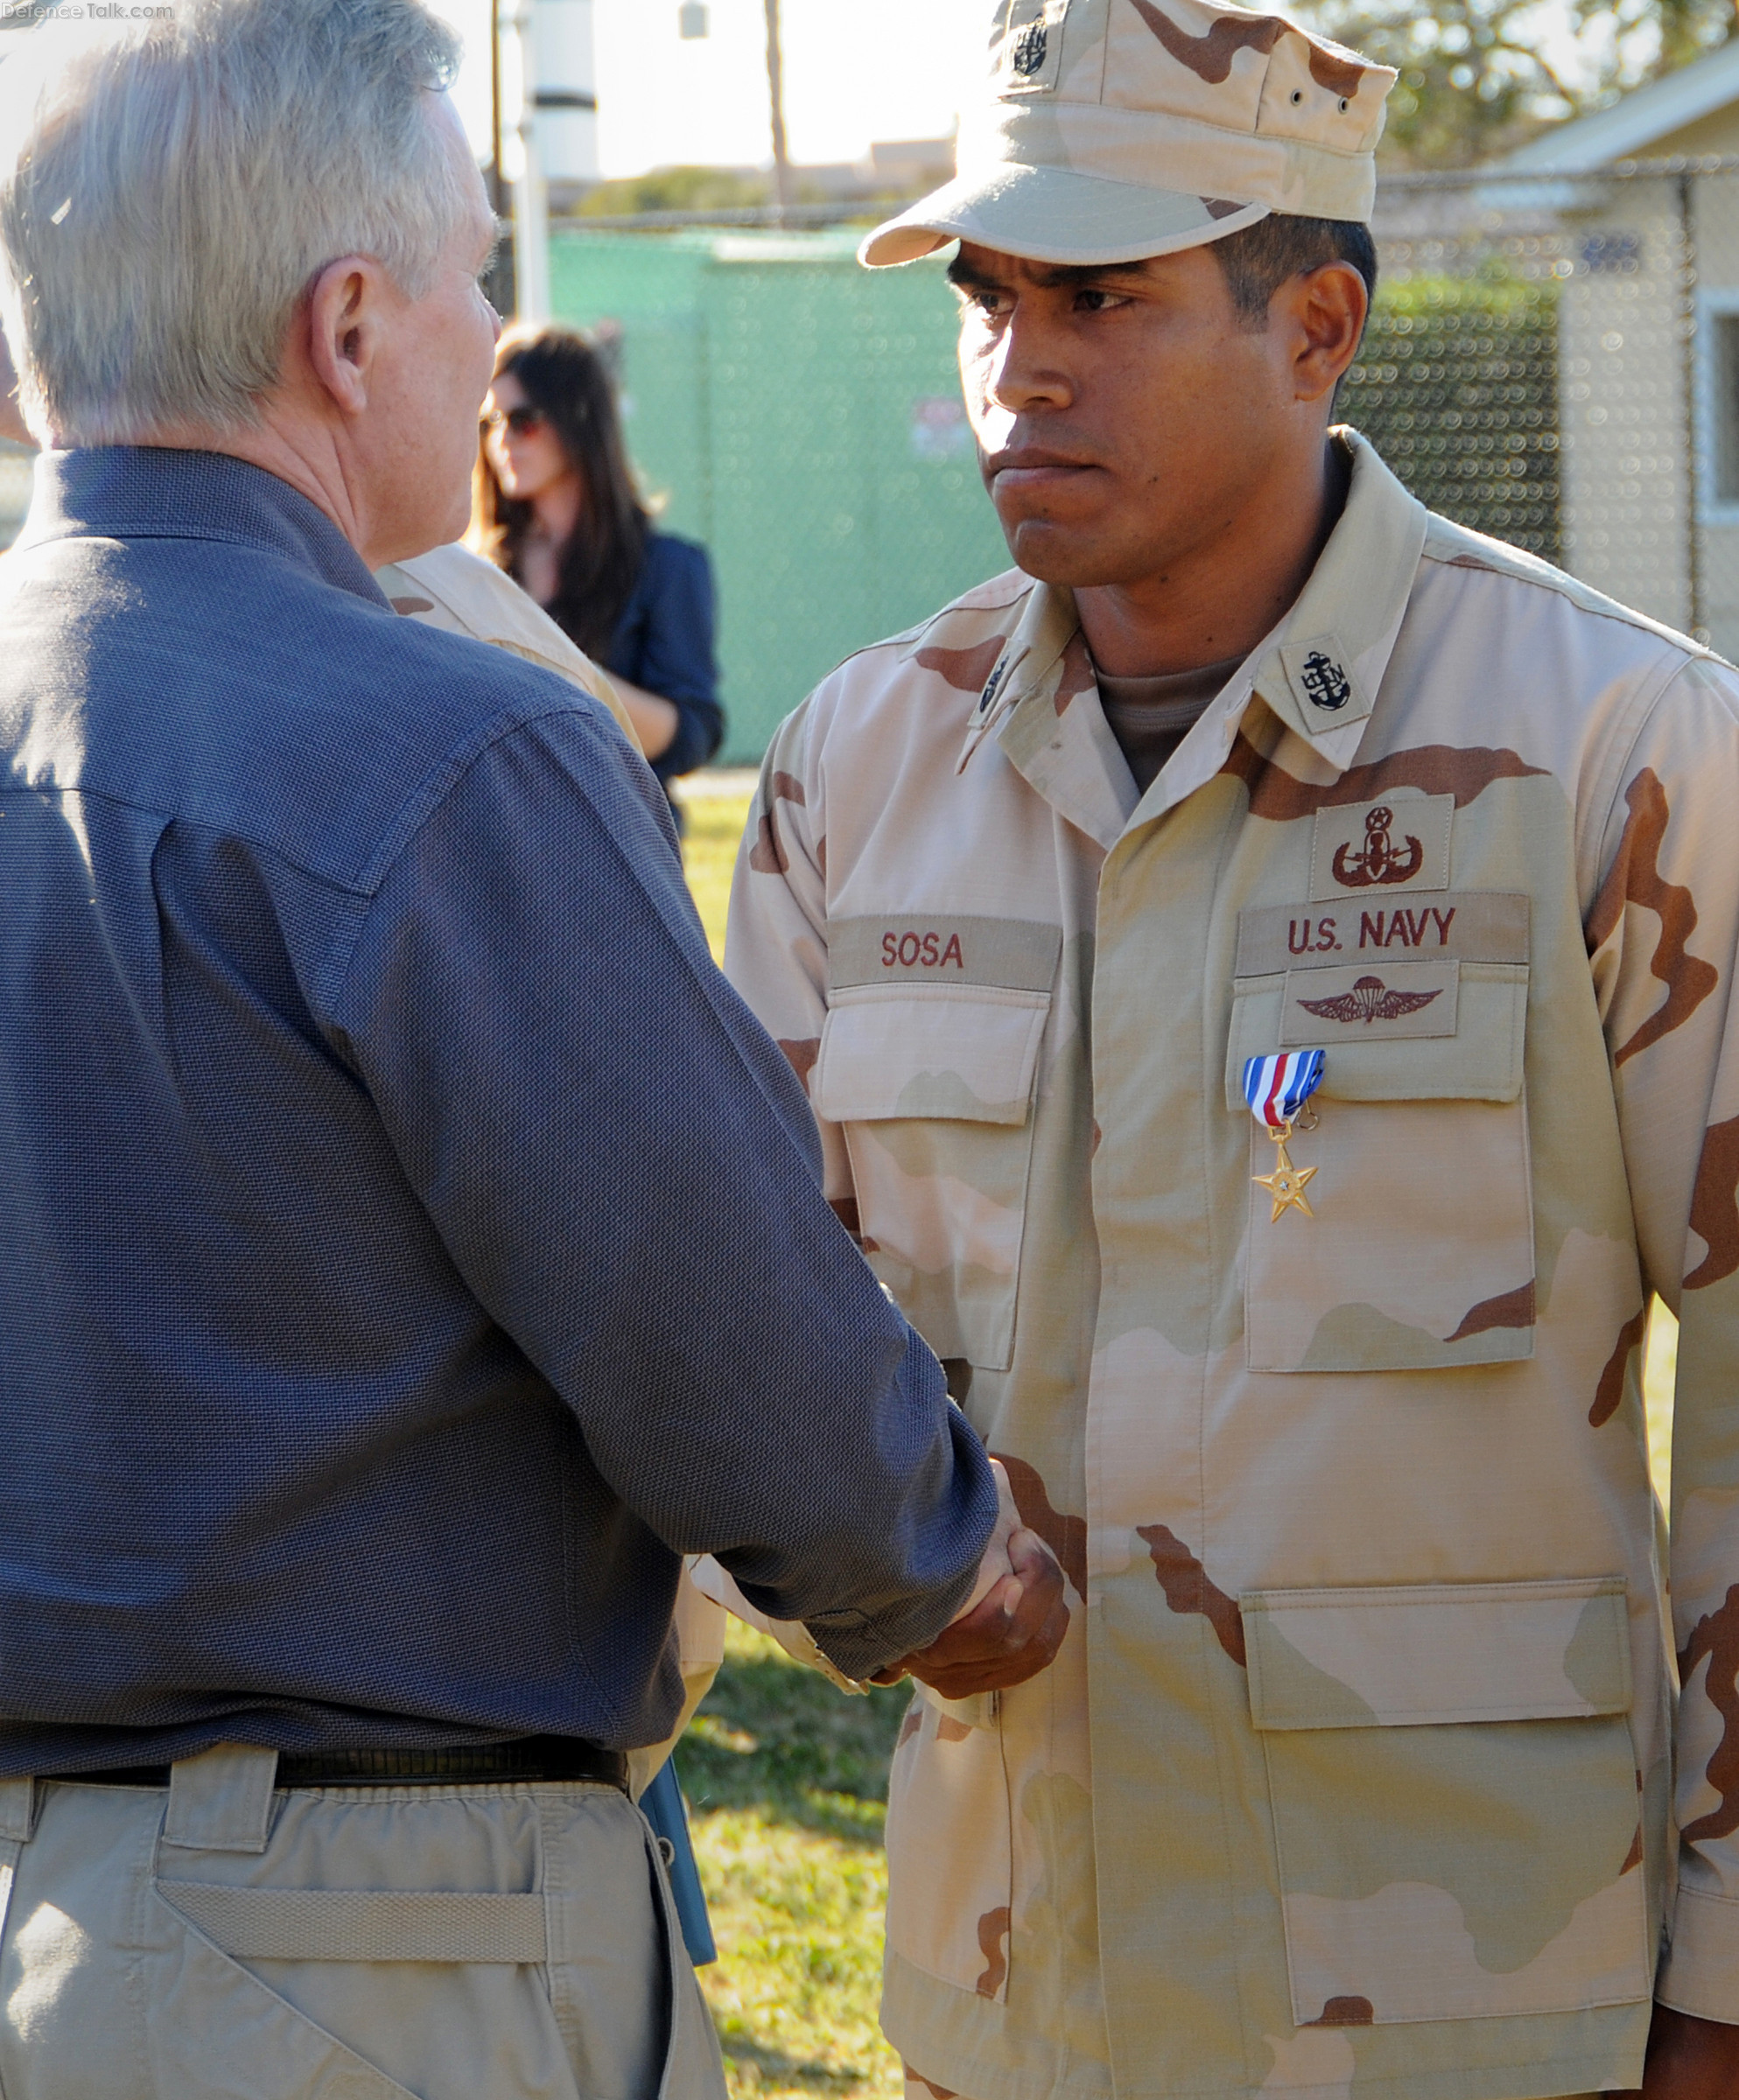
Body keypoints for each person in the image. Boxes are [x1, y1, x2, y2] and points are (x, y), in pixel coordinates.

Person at [0, 4, 1069, 2094]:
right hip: (377, 1943)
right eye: (477, 274)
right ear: (346, 329)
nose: (496, 330)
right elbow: (724, 1332)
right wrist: (953, 1568)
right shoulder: (440, 746)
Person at [724, 4, 1739, 2097]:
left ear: (1319, 323)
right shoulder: (859, 766)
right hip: (1015, 1994)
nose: (1016, 362)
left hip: (1469, 2008)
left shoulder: (1612, 749)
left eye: (1102, 291)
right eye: (987, 295)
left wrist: (1723, 1973)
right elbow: (752, 1318)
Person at [473, 324, 723, 816]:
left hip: (617, 832)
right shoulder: (481, 568)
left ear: (578, 420)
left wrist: (565, 673)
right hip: (501, 838)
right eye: (489, 422)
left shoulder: (667, 567)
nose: (502, 440)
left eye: (522, 420)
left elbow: (692, 737)